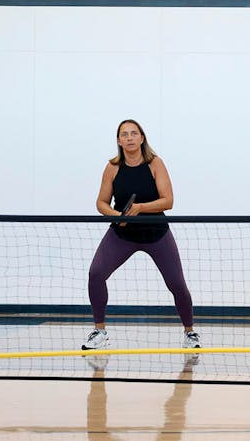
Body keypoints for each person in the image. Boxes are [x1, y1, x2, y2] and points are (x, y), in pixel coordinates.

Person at [83, 119, 200, 370]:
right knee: (96, 273)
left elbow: (168, 201)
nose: (129, 138)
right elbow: (101, 203)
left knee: (177, 284)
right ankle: (100, 332)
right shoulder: (112, 168)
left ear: (142, 138)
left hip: (156, 233)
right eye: (124, 134)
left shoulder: (155, 164)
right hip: (122, 234)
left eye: (134, 133)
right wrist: (118, 216)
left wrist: (139, 209)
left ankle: (190, 333)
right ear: (118, 141)